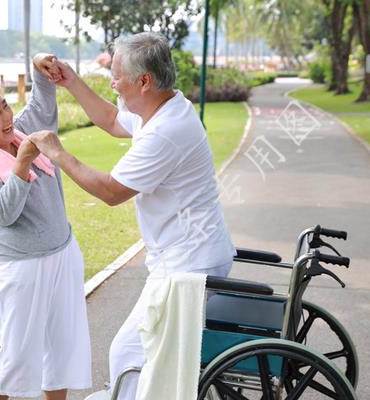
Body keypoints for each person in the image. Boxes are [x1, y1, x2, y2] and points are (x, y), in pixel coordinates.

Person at [29, 32, 237, 400]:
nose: (112, 82)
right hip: (185, 256)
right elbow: (111, 120)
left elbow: (111, 191)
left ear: (144, 81)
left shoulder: (165, 132)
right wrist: (69, 79)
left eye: (117, 75)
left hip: (186, 265)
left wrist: (57, 153)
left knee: (128, 355)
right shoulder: (163, 107)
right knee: (136, 355)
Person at [0, 53, 91, 400]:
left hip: (63, 253)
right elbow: (2, 212)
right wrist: (22, 164)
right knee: (17, 356)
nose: (6, 116)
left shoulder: (21, 132)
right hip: (21, 267)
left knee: (63, 348)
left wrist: (39, 65)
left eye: (5, 105)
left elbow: (42, 100)